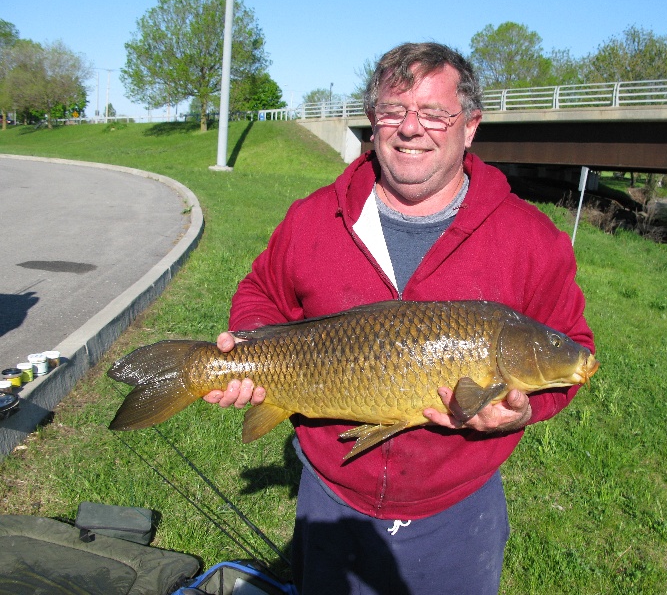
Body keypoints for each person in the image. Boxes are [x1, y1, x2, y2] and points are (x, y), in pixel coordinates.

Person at [203, 42, 594, 594]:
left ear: (471, 125)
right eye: (394, 111)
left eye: (435, 113)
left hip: (457, 508)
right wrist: (244, 350)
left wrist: (522, 411)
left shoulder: (532, 240)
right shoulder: (313, 217)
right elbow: (261, 291)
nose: (412, 129)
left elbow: (571, 345)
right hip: (331, 495)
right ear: (372, 121)